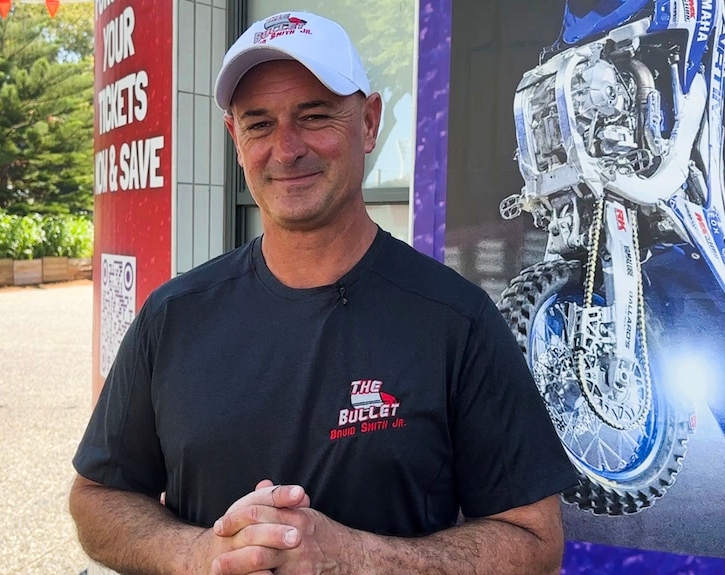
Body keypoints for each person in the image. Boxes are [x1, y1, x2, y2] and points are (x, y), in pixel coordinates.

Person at [69, 10, 579, 575]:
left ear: (368, 122)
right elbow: (97, 498)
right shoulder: (173, 316)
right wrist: (201, 555)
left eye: (314, 117)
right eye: (259, 124)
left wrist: (356, 559)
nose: (286, 149)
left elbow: (535, 541)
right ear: (234, 138)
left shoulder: (455, 321)